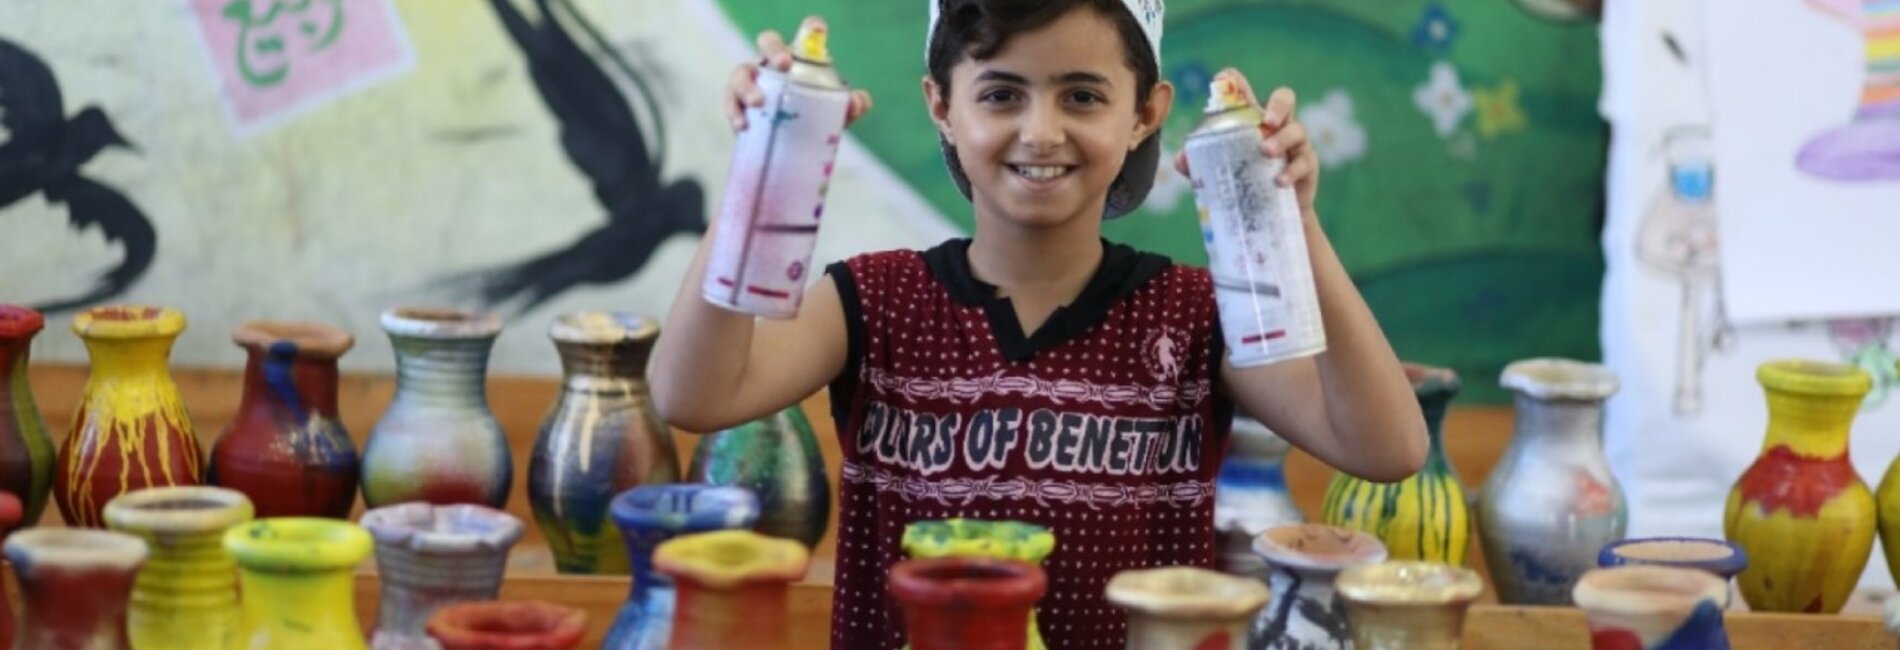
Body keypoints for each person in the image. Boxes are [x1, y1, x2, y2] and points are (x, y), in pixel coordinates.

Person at [651, 1, 1427, 646]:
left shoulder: (1196, 315)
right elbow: (691, 396)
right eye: (1001, 94)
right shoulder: (872, 301)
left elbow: (1388, 447)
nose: (1041, 131)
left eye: (1082, 95)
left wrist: (1296, 222)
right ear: (941, 107)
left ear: (1144, 115)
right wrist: (762, 161)